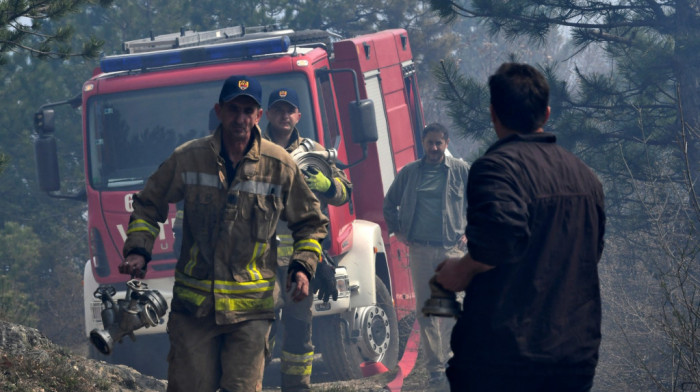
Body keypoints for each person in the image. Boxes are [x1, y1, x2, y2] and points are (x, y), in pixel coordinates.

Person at [118, 75, 329, 392]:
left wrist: (303, 265)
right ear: (219, 111)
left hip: (251, 309)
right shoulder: (188, 158)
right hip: (194, 310)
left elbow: (311, 222)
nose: (240, 118)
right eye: (234, 109)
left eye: (248, 110)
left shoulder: (280, 165)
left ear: (259, 116)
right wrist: (138, 249)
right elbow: (148, 204)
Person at [435, 63, 606, 392]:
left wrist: (461, 269)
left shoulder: (496, 169)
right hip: (575, 356)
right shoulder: (586, 177)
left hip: (504, 360)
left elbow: (499, 239)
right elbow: (590, 255)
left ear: (493, 114)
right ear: (546, 112)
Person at [264, 87, 352, 391]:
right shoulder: (253, 147)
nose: (284, 115)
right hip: (259, 258)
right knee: (261, 323)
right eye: (278, 109)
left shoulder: (314, 150)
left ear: (297, 115)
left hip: (302, 259)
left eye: (289, 110)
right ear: (268, 114)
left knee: (299, 329)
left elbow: (344, 193)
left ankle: (297, 387)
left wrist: (328, 184)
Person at [382, 122, 469, 386]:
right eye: (429, 143)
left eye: (438, 143)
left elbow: (484, 200)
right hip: (419, 250)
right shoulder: (409, 173)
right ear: (423, 142)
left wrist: (471, 231)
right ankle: (436, 369)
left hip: (451, 249)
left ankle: (458, 359)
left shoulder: (461, 171)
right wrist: (398, 231)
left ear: (446, 143)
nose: (434, 148)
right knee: (427, 310)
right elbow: (389, 204)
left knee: (456, 306)